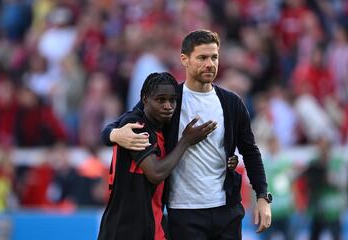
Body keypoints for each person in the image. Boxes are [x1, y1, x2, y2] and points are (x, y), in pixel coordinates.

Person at [101, 29, 271, 239]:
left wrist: (263, 196)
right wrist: (114, 135)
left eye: (214, 57)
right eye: (202, 57)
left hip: (227, 210)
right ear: (185, 59)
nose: (210, 63)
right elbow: (114, 126)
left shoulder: (231, 103)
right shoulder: (169, 99)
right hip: (184, 212)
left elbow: (251, 152)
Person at [97, 72, 219, 240]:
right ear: (145, 100)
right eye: (161, 100)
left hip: (155, 226)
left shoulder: (165, 126)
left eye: (172, 100)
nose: (168, 106)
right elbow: (156, 173)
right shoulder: (136, 126)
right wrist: (186, 141)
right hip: (124, 230)